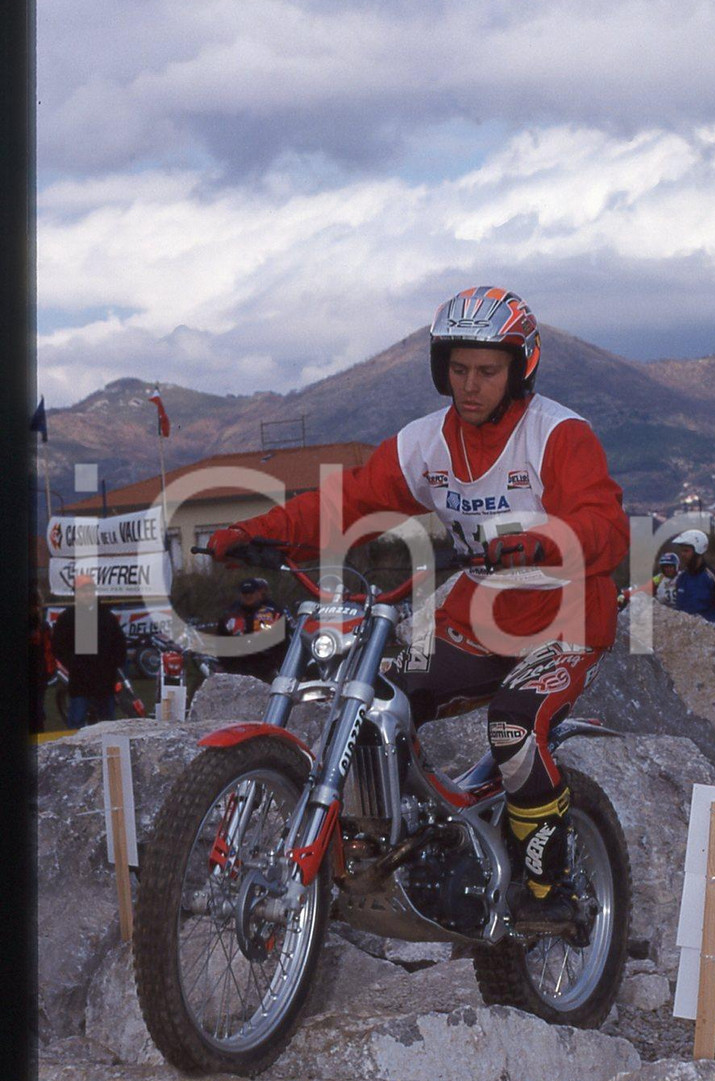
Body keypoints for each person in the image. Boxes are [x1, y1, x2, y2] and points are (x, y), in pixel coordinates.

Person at [208, 285, 629, 932]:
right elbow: (347, 500)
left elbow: (607, 527)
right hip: (474, 619)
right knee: (373, 699)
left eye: (487, 371)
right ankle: (412, 840)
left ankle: (548, 893)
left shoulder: (559, 436)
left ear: (520, 369)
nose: (471, 385)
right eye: (458, 369)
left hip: (564, 623)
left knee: (515, 727)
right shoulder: (425, 444)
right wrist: (257, 531)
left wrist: (540, 541)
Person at [50, 574, 128, 727]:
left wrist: (112, 666)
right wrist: (73, 665)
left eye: (90, 590)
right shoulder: (67, 618)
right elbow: (58, 646)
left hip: (104, 683)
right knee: (77, 725)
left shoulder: (107, 618)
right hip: (80, 683)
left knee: (107, 725)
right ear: (76, 594)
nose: (87, 594)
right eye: (83, 591)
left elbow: (120, 645)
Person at [216, 576, 289, 680]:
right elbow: (221, 642)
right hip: (236, 668)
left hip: (266, 667)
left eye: (251, 593)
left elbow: (283, 642)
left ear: (259, 593)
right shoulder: (229, 615)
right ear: (240, 594)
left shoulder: (273, 612)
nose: (248, 596)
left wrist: (275, 663)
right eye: (245, 593)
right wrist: (226, 665)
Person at [670, 529, 715, 624]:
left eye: (686, 551)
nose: (682, 554)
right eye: (681, 551)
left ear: (698, 551)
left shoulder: (714, 578)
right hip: (685, 632)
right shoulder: (681, 578)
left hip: (710, 633)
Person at [29, 586, 57, 734]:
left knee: (37, 713)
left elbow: (49, 651)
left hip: (38, 678)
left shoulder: (43, 628)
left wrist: (48, 672)